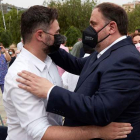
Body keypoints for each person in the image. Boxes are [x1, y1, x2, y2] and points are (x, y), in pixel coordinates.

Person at [2, 5, 132, 140]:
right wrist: (96, 132)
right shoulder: (22, 75)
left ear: (112, 27)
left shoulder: (124, 57)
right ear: (40, 35)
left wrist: (50, 91)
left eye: (93, 24)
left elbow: (100, 107)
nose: (60, 37)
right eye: (56, 33)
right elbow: (40, 132)